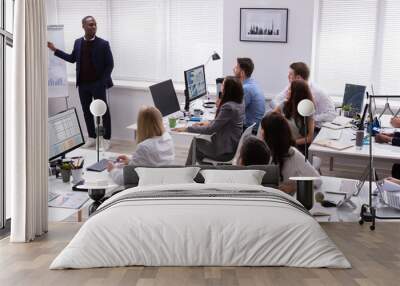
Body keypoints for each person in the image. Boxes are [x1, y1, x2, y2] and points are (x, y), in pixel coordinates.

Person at [47, 16, 114, 150]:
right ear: (83, 26)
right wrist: (55, 50)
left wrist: (102, 82)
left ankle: (106, 139)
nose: (93, 27)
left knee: (103, 111)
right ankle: (91, 137)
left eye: (95, 24)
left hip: (97, 84)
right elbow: (72, 58)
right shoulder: (78, 43)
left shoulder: (103, 44)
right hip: (83, 85)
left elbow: (110, 65)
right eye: (90, 24)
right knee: (86, 112)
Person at [174, 76, 245, 165]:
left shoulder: (228, 107)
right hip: (232, 146)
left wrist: (187, 129)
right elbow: (224, 122)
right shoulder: (239, 102)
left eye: (223, 85)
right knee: (199, 149)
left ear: (228, 89)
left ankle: (188, 172)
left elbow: (210, 130)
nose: (221, 87)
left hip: (224, 151)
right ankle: (205, 171)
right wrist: (209, 122)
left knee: (196, 143)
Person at [107, 106, 175, 185]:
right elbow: (153, 162)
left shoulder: (144, 147)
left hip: (147, 188)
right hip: (163, 183)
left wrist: (112, 170)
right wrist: (130, 161)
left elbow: (124, 180)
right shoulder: (168, 138)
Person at [260, 112, 320, 194]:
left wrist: (294, 187)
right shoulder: (260, 150)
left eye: (263, 130)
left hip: (284, 201)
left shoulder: (293, 154)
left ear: (269, 135)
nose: (261, 133)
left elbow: (317, 180)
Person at [271, 62, 335, 128]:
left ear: (298, 78)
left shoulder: (319, 92)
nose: (288, 77)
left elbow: (332, 115)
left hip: (314, 129)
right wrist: (283, 110)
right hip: (296, 127)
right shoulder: (290, 88)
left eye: (290, 74)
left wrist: (308, 119)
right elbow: (274, 101)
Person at [273, 79, 315, 148]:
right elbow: (268, 120)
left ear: (296, 93)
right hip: (284, 145)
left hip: (299, 146)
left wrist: (291, 143)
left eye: (289, 90)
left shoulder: (308, 109)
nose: (287, 91)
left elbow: (309, 138)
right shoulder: (283, 104)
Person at [233, 58, 265, 133]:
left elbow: (236, 111)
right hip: (254, 127)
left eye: (237, 68)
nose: (234, 69)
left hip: (249, 130)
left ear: (242, 73)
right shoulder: (252, 83)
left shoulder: (246, 89)